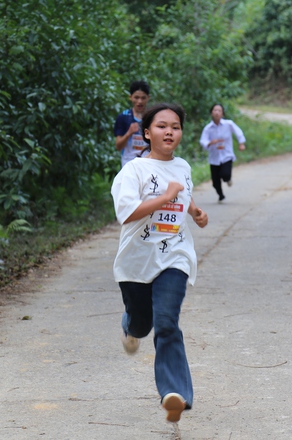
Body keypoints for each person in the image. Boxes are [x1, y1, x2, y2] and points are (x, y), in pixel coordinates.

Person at [111, 102, 209, 423]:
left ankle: (174, 394)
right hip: (137, 262)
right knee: (142, 324)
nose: (169, 131)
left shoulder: (182, 167)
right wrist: (164, 198)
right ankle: (130, 326)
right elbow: (127, 213)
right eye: (162, 126)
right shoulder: (133, 171)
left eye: (176, 126)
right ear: (147, 133)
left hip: (174, 256)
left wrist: (194, 211)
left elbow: (184, 192)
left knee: (167, 322)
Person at [199, 104, 246, 202]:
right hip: (214, 157)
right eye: (214, 110)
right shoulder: (208, 128)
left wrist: (241, 143)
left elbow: (238, 132)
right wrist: (210, 142)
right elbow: (203, 140)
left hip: (226, 155)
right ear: (211, 113)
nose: (217, 112)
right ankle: (221, 195)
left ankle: (228, 179)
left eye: (219, 110)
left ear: (222, 113)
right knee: (215, 182)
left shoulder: (228, 124)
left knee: (225, 174)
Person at [114, 81, 151, 167]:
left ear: (148, 98)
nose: (140, 101)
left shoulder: (153, 117)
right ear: (130, 97)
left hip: (148, 164)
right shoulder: (123, 117)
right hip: (128, 164)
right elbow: (118, 146)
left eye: (143, 98)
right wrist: (129, 133)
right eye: (136, 97)